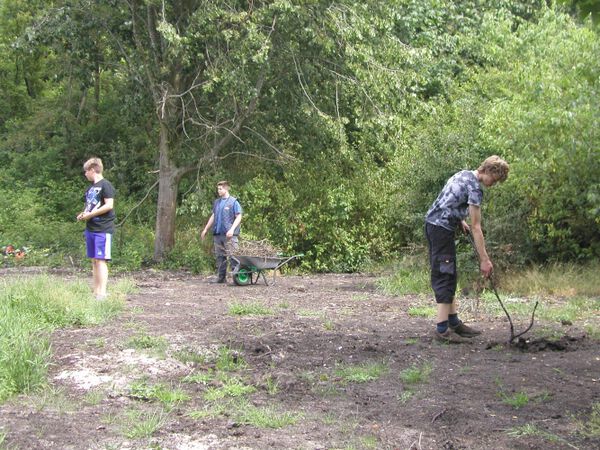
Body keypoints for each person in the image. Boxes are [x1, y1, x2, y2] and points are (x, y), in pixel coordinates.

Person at [425, 155, 509, 343]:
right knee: (445, 275)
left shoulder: (463, 174)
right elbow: (476, 227)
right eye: (494, 180)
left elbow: (449, 199)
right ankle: (441, 330)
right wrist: (485, 260)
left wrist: (459, 219)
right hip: (441, 230)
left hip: (433, 225)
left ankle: (454, 322)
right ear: (488, 171)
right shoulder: (475, 188)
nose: (493, 184)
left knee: (449, 273)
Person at [77, 157, 116, 300]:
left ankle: (102, 293)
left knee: (101, 260)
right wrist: (84, 214)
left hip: (103, 229)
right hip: (90, 228)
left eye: (86, 171)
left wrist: (91, 215)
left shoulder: (106, 185)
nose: (85, 174)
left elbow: (109, 205)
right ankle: (96, 291)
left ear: (92, 170)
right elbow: (90, 206)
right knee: (94, 260)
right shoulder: (90, 188)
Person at [201, 181, 243, 283]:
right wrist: (206, 229)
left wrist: (232, 229)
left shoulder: (233, 202)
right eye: (218, 189)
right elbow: (213, 216)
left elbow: (239, 216)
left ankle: (237, 279)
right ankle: (221, 278)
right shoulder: (217, 202)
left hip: (229, 235)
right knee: (220, 257)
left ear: (226, 188)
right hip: (218, 234)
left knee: (233, 257)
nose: (218, 191)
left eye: (220, 189)